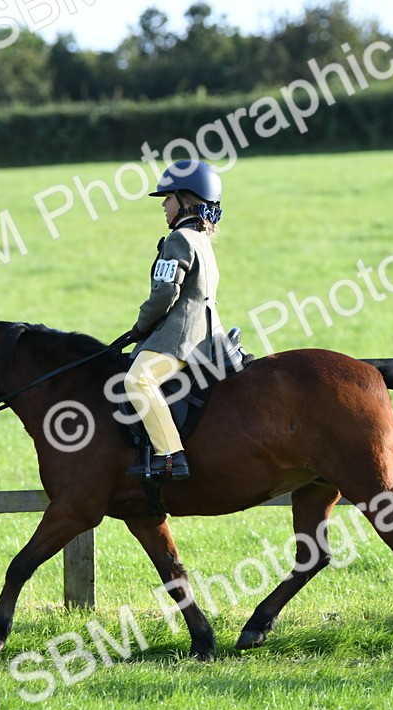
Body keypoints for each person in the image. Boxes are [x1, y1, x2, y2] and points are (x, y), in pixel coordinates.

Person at [124, 160, 226, 481]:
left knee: (137, 380)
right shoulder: (202, 240)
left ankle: (170, 455)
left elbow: (164, 294)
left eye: (167, 199)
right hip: (209, 334)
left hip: (183, 339)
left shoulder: (179, 240)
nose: (164, 207)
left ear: (185, 200)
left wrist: (140, 326)